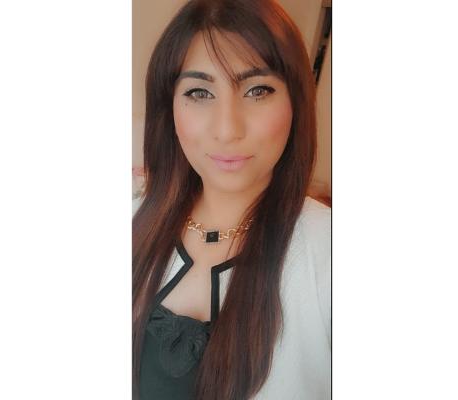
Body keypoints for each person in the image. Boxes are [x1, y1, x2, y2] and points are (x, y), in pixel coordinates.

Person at [132, 0, 330, 398]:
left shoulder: (328, 252)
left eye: (258, 90)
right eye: (199, 92)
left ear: (296, 101)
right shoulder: (134, 216)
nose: (226, 129)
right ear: (168, 107)